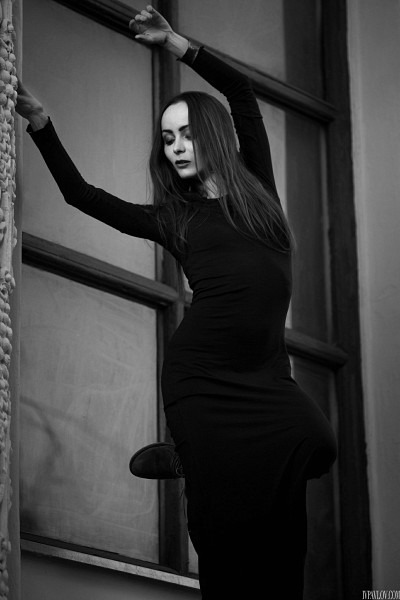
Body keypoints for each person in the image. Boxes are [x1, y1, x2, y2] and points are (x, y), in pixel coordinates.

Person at [16, 6, 337, 598]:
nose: (177, 148)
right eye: (167, 139)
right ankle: (201, 462)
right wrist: (41, 124)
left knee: (316, 444)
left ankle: (192, 460)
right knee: (223, 530)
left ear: (212, 133)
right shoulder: (176, 217)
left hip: (266, 375)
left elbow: (241, 90)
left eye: (187, 134)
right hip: (201, 374)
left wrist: (176, 44)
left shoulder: (258, 188)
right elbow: (81, 195)